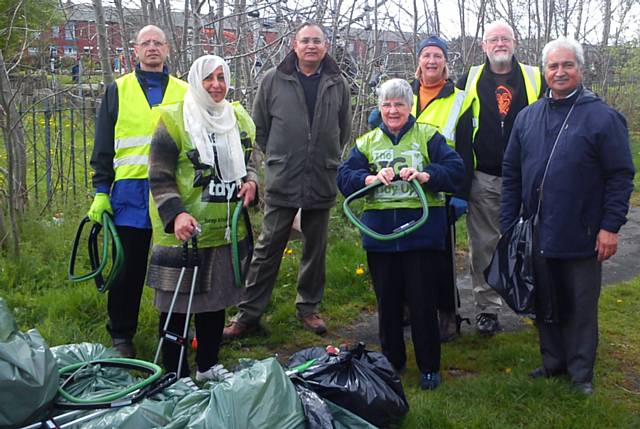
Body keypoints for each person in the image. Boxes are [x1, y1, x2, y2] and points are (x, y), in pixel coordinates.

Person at [501, 37, 634, 395]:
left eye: (567, 65)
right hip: (538, 231)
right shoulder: (528, 117)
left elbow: (620, 176)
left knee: (579, 305)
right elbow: (511, 173)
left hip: (584, 232)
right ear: (544, 72)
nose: (559, 72)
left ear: (580, 68)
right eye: (553, 66)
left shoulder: (603, 117)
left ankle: (580, 373)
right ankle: (553, 362)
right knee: (546, 300)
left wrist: (610, 227)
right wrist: (508, 226)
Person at [223, 22, 352, 339]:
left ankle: (308, 308)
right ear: (294, 45)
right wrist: (277, 159)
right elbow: (258, 130)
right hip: (283, 178)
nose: (311, 46)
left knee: (315, 249)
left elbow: (343, 130)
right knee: (267, 249)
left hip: (322, 177)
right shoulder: (273, 80)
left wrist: (326, 155)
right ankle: (248, 314)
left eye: (317, 41)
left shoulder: (337, 83)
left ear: (326, 46)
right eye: (305, 40)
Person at [337, 78, 464, 390]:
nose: (393, 110)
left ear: (410, 107)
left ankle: (429, 367)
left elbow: (457, 170)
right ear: (380, 108)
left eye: (399, 104)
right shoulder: (366, 142)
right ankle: (392, 362)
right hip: (380, 236)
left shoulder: (429, 136)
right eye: (387, 105)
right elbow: (344, 177)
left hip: (421, 234)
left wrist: (426, 175)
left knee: (423, 303)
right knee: (388, 303)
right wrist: (368, 179)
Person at [147, 55, 258, 380]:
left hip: (223, 230)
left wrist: (251, 181)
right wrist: (176, 213)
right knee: (176, 308)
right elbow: (159, 174)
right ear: (196, 81)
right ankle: (175, 373)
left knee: (215, 304)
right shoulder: (173, 119)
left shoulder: (235, 118)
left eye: (222, 78)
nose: (216, 85)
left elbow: (248, 161)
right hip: (182, 232)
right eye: (209, 78)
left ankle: (207, 366)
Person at [87, 25, 188, 357]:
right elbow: (103, 145)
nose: (152, 48)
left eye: (158, 42)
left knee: (171, 269)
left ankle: (172, 335)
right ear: (135, 50)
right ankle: (121, 335)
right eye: (146, 43)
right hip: (129, 195)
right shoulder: (118, 90)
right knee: (127, 269)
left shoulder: (185, 92)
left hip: (172, 194)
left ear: (168, 48)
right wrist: (101, 190)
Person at [457, 21, 544, 335]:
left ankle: (537, 303)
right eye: (493, 39)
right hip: (485, 178)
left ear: (515, 42)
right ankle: (487, 309)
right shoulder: (469, 79)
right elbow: (444, 109)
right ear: (483, 46)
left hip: (531, 178)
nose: (499, 44)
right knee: (484, 246)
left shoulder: (537, 76)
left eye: (504, 38)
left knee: (536, 243)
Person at [411, 35, 475, 342]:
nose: (432, 61)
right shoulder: (405, 93)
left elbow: (465, 149)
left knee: (441, 256)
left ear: (445, 61)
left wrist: (461, 193)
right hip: (405, 188)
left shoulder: (460, 98)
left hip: (442, 187)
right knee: (406, 252)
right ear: (419, 61)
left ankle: (448, 313)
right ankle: (410, 308)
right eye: (427, 55)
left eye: (438, 56)